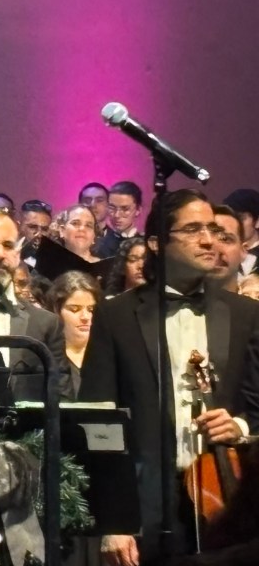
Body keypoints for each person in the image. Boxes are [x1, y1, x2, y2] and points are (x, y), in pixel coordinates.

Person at [79, 189, 259, 566]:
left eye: (212, 229)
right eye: (193, 229)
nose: (208, 240)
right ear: (156, 243)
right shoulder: (116, 316)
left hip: (225, 502)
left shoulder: (247, 315)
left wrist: (240, 426)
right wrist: (114, 521)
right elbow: (99, 422)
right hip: (144, 508)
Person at [0, 209, 74, 403]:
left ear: (17, 254)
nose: (0, 254)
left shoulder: (46, 324)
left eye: (8, 245)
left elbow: (61, 397)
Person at [44, 271, 101, 396]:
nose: (85, 317)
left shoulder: (106, 355)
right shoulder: (47, 357)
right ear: (56, 310)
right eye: (75, 309)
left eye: (91, 309)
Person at [95, 180, 144, 258]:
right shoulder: (99, 246)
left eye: (125, 209)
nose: (117, 215)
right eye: (112, 208)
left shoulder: (146, 245)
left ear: (138, 210)